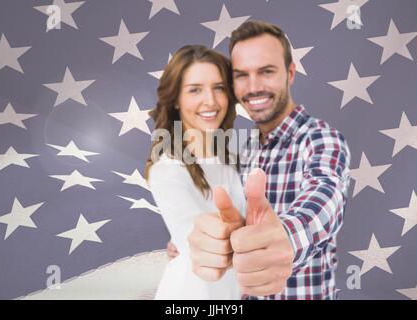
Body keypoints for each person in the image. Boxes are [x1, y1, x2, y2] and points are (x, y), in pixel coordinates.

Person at [168, 20, 351, 300]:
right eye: (241, 75)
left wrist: (287, 238)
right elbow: (235, 223)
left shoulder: (321, 138)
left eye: (266, 71)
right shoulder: (245, 147)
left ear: (290, 73)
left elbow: (326, 194)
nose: (253, 87)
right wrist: (201, 242)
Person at [145, 45, 246, 299]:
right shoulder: (167, 169)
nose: (210, 101)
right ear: (176, 100)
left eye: (219, 88)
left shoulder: (234, 161)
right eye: (195, 90)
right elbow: (201, 244)